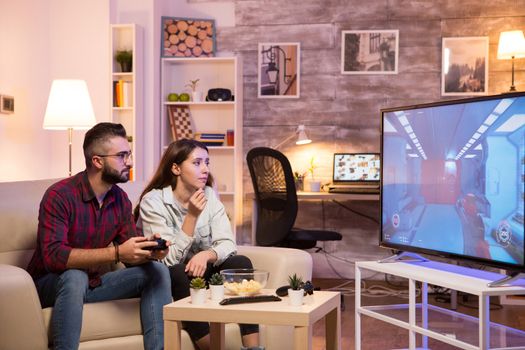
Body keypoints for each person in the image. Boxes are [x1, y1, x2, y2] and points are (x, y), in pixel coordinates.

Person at [27, 122, 172, 350]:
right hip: (49, 284)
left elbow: (128, 252)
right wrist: (115, 252)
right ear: (97, 161)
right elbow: (54, 257)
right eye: (122, 156)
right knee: (75, 276)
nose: (131, 162)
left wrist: (151, 251)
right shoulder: (59, 195)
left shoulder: (120, 199)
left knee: (158, 271)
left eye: (129, 154)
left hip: (92, 283)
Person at [134, 139, 262, 350]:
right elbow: (167, 259)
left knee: (240, 262)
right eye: (197, 163)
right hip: (174, 276)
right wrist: (192, 216)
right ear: (176, 168)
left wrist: (207, 255)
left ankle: (254, 348)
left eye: (207, 163)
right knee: (176, 271)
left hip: (202, 269)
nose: (205, 169)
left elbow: (228, 243)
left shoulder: (209, 195)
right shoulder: (153, 202)